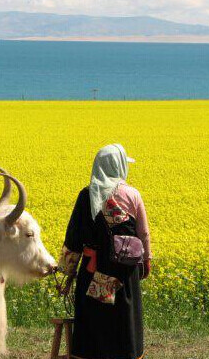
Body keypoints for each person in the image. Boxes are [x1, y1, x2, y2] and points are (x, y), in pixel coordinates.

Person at [57, 143, 152, 359]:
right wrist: (146, 260)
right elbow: (143, 233)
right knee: (122, 320)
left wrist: (66, 272)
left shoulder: (86, 196)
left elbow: (73, 237)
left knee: (96, 321)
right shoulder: (133, 194)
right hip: (124, 272)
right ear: (119, 166)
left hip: (93, 270)